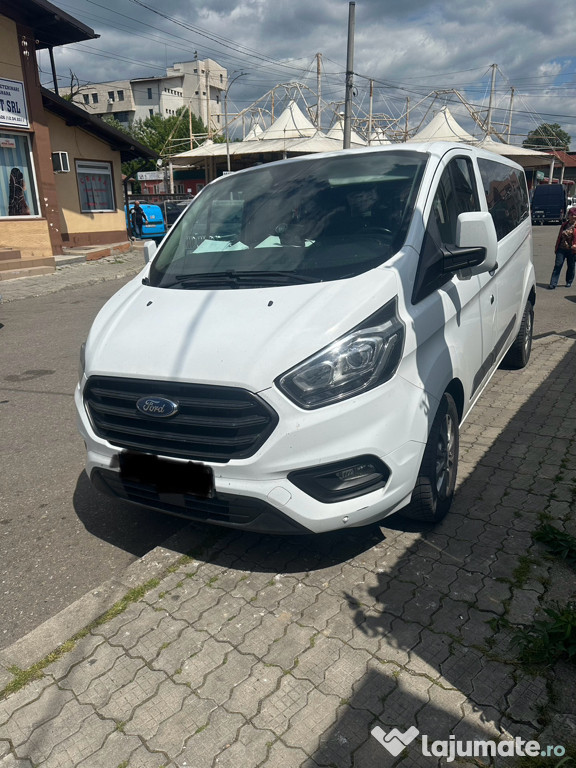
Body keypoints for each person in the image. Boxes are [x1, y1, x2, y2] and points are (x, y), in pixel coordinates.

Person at [549, 206, 576, 289]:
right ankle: (553, 283)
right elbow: (559, 237)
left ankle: (569, 281)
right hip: (561, 248)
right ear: (569, 215)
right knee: (558, 264)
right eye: (572, 215)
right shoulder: (564, 225)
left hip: (572, 250)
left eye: (574, 215)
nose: (573, 216)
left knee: (571, 266)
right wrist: (556, 247)